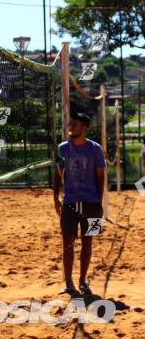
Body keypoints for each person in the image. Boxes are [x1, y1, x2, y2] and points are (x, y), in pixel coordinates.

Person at [53, 113, 106, 298]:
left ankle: (83, 280)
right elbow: (58, 174)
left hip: (91, 203)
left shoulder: (95, 149)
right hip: (69, 203)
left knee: (87, 243)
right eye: (71, 124)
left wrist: (99, 202)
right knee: (67, 243)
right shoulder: (63, 148)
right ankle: (69, 283)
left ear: (84, 128)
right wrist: (55, 198)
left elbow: (101, 176)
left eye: (75, 125)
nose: (71, 127)